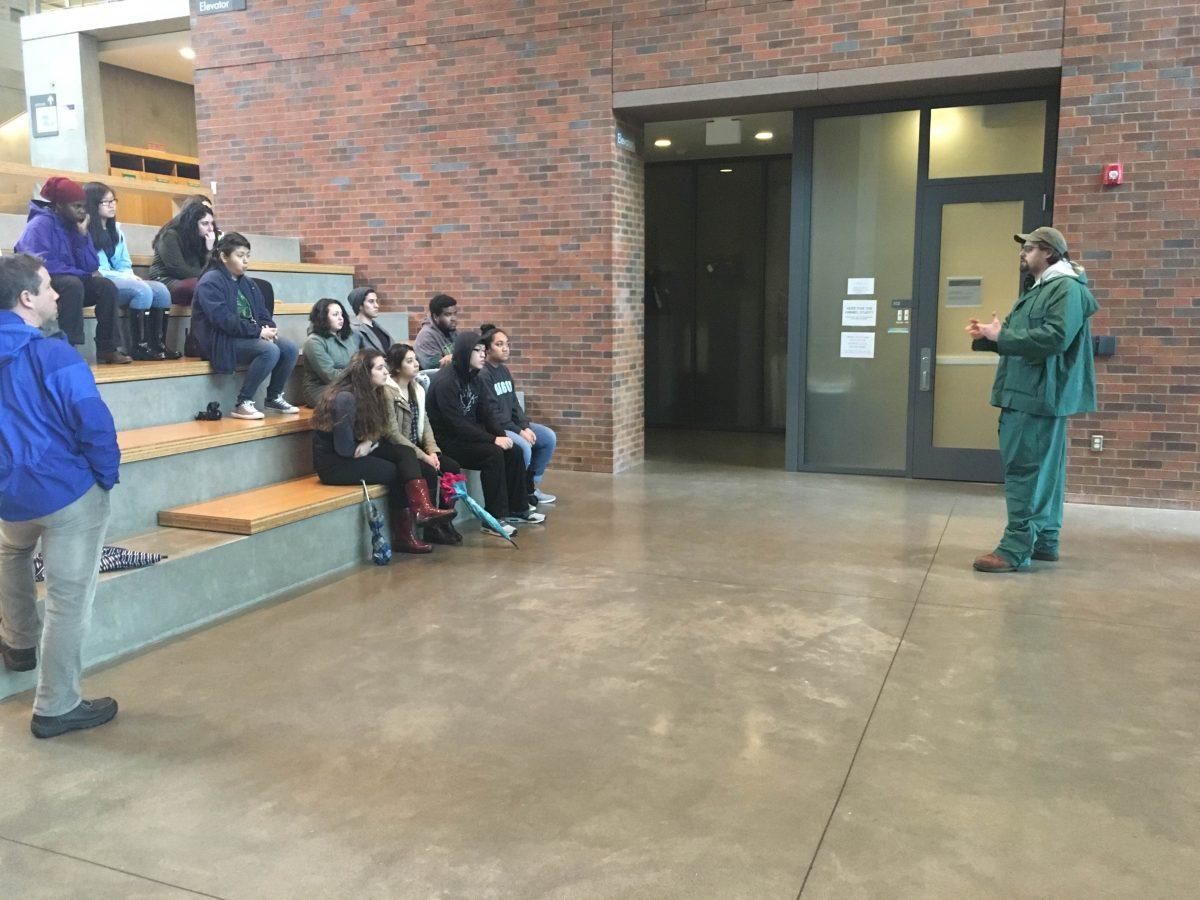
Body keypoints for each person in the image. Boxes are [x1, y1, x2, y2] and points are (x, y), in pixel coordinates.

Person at [0, 254, 120, 738]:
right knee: (69, 600)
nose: (56, 294)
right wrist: (104, 479)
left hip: (9, 495)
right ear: (27, 298)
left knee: (11, 550)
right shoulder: (54, 354)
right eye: (48, 287)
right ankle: (56, 705)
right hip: (65, 492)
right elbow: (93, 421)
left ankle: (19, 642)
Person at [966, 226, 1098, 573]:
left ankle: (1014, 548)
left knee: (1026, 471)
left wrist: (1003, 336)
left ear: (1050, 253)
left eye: (1029, 248)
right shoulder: (1040, 290)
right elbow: (1021, 339)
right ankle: (1044, 541)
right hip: (1027, 392)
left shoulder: (1065, 289)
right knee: (1045, 472)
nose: (1022, 254)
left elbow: (1054, 338)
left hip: (1038, 396)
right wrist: (990, 337)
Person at [312, 350, 455, 554]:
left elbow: (379, 430)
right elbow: (345, 450)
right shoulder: (345, 397)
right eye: (379, 368)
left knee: (405, 453)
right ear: (364, 373)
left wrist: (370, 441)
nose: (386, 372)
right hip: (335, 464)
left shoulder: (375, 391)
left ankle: (423, 509)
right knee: (395, 472)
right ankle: (404, 537)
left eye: (385, 367)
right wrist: (369, 444)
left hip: (359, 451)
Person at [426, 332, 544, 536]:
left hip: (468, 437)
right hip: (447, 441)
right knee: (493, 454)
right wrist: (492, 439)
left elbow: (487, 414)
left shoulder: (475, 378)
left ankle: (518, 507)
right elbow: (456, 424)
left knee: (513, 450)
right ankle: (492, 519)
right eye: (477, 351)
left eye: (483, 350)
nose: (483, 355)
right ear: (464, 352)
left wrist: (501, 435)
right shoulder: (446, 381)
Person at [12, 176, 130, 364]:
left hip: (70, 281)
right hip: (43, 284)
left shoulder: (76, 226)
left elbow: (91, 266)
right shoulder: (40, 224)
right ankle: (69, 347)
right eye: (77, 206)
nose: (83, 211)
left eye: (84, 206)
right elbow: (39, 264)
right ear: (59, 205)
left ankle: (107, 348)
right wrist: (79, 273)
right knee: (72, 284)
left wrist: (83, 237)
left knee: (106, 286)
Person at [191, 232, 300, 420]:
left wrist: (269, 328)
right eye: (240, 256)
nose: (245, 261)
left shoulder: (247, 283)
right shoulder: (210, 281)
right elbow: (223, 320)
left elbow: (262, 312)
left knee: (289, 348)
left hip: (246, 336)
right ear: (224, 257)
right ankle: (243, 402)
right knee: (270, 351)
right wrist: (258, 332)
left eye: (247, 256)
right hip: (220, 340)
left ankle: (273, 397)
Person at [84, 182, 179, 361]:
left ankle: (158, 344)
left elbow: (124, 262)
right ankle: (138, 346)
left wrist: (127, 274)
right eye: (106, 202)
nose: (112, 205)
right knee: (141, 290)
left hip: (120, 277)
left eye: (114, 201)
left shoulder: (116, 230)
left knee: (161, 291)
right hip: (102, 282)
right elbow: (99, 269)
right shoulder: (86, 231)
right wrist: (127, 277)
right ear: (93, 204)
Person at [384, 342, 463, 545]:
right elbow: (393, 434)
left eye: (415, 359)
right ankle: (427, 526)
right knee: (427, 470)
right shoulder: (387, 392)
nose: (416, 364)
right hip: (401, 449)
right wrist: (424, 455)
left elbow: (425, 424)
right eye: (409, 361)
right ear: (397, 367)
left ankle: (443, 521)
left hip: (419, 448)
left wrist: (433, 451)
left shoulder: (418, 388)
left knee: (451, 467)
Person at [477, 324, 558, 506]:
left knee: (547, 438)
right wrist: (519, 431)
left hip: (513, 424)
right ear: (488, 349)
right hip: (498, 428)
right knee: (523, 447)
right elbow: (493, 414)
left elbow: (514, 405)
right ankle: (519, 494)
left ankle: (531, 487)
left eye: (507, 343)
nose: (505, 348)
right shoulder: (483, 375)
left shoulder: (504, 370)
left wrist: (526, 426)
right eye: (499, 344)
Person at [183, 195, 276, 317]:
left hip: (217, 274)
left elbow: (221, 261)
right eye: (204, 212)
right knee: (216, 284)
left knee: (261, 286)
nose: (210, 225)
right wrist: (209, 249)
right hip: (186, 278)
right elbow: (198, 268)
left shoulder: (214, 235)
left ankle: (263, 326)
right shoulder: (178, 236)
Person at [148, 200, 215, 307]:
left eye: (211, 223)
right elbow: (179, 270)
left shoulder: (201, 238)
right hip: (166, 281)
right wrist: (208, 277)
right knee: (206, 285)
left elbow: (211, 269)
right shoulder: (170, 236)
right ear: (192, 223)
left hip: (192, 280)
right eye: (205, 224)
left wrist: (209, 249)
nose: (210, 228)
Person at [300, 298, 359, 407]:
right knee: (358, 395)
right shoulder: (314, 341)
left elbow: (359, 362)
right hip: (321, 389)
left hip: (348, 384)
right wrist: (358, 376)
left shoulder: (347, 337)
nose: (341, 318)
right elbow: (330, 376)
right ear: (323, 317)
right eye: (335, 315)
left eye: (341, 314)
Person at [414, 293, 458, 370]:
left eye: (455, 314)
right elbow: (434, 366)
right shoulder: (426, 336)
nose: (454, 319)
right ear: (435, 317)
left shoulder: (451, 331)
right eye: (448, 315)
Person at [349, 286, 392, 353]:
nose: (377, 305)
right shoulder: (353, 330)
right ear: (360, 306)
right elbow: (355, 359)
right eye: (371, 301)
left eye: (376, 301)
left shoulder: (377, 326)